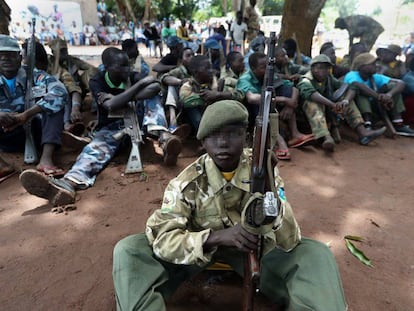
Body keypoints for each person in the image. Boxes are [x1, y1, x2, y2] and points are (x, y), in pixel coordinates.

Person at [112, 99, 348, 311]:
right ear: (203, 142)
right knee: (129, 250)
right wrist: (216, 238)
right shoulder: (186, 182)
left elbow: (290, 238)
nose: (223, 143)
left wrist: (271, 196)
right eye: (214, 136)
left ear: (246, 137)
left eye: (233, 133)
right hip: (198, 253)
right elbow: (164, 239)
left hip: (255, 253)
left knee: (316, 254)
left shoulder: (262, 169)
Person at [19, 47, 183, 205]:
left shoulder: (132, 75)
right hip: (113, 128)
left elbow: (154, 86)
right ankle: (68, 183)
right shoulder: (97, 81)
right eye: (122, 65)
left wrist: (118, 98)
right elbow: (110, 106)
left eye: (128, 64)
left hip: (139, 124)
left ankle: (164, 138)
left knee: (153, 98)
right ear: (108, 67)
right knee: (95, 149)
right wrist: (138, 87)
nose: (128, 69)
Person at [0, 35, 67, 179]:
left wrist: (26, 115)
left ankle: (46, 160)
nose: (6, 59)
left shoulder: (34, 74)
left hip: (35, 131)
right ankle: (2, 165)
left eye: (11, 55)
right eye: (1, 55)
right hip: (5, 133)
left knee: (54, 106)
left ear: (20, 57)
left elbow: (60, 92)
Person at [297, 54, 386, 151]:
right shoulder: (306, 80)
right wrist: (332, 105)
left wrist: (345, 101)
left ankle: (362, 131)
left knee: (345, 100)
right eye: (320, 68)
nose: (324, 71)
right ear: (313, 68)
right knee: (313, 104)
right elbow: (312, 94)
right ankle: (326, 137)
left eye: (327, 68)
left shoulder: (329, 78)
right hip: (305, 111)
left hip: (327, 108)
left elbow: (348, 86)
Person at [237, 52, 315, 160]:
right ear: (253, 68)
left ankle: (295, 134)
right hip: (253, 113)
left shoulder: (269, 74)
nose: (267, 69)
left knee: (286, 90)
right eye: (262, 67)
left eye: (268, 66)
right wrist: (284, 100)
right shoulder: (245, 79)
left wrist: (290, 105)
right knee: (261, 104)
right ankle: (279, 142)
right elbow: (252, 98)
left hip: (272, 106)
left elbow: (293, 88)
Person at [344, 52, 414, 136]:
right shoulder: (352, 75)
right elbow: (358, 85)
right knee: (362, 93)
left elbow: (401, 83)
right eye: (372, 64)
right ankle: (367, 124)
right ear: (362, 66)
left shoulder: (375, 77)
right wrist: (379, 97)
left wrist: (389, 95)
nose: (376, 65)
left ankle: (398, 123)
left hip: (375, 108)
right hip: (356, 111)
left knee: (393, 86)